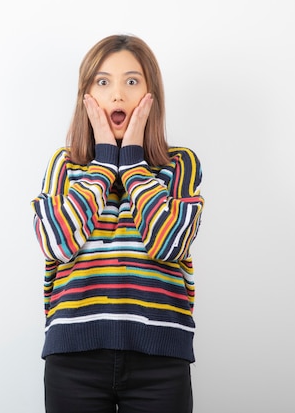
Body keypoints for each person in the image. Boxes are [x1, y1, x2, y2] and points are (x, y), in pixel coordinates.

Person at [30, 34, 205, 413]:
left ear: (150, 94)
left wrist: (135, 163)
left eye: (131, 81)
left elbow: (169, 243)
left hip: (160, 360)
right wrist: (106, 161)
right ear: (87, 95)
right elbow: (56, 243)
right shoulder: (65, 165)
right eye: (103, 81)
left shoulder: (179, 165)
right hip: (73, 358)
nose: (118, 95)